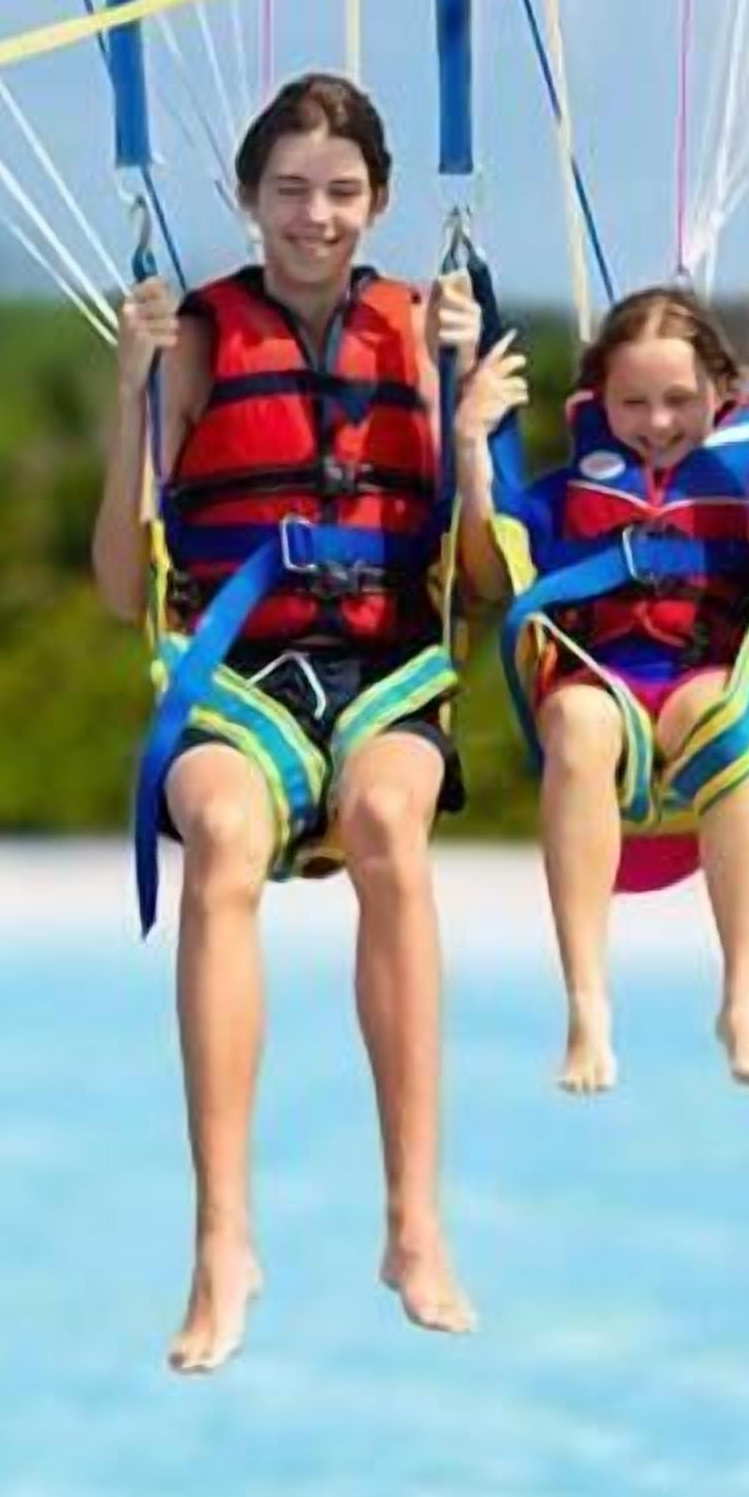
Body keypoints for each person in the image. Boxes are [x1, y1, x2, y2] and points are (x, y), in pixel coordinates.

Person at [93, 74, 483, 1375]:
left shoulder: (426, 330)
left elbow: (479, 575)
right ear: (247, 199)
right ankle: (222, 1241)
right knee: (219, 842)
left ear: (378, 203)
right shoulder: (198, 337)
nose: (315, 218)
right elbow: (114, 581)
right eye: (289, 192)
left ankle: (413, 1222)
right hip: (237, 672)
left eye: (342, 193)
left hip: (380, 667)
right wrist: (133, 392)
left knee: (386, 822)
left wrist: (464, 418)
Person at [455, 264, 749, 1095]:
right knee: (578, 722)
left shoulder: (746, 478)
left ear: (720, 387)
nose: (657, 422)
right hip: (602, 686)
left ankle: (744, 998)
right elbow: (487, 574)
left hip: (698, 686)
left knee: (727, 720)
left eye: (678, 399)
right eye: (632, 404)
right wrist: (468, 443)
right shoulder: (565, 494)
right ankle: (587, 1006)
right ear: (598, 401)